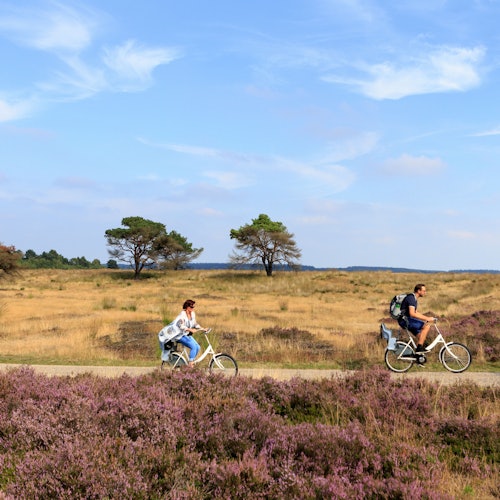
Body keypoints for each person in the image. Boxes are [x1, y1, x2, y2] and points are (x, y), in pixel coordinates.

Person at [162, 299, 207, 366]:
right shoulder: (182, 315)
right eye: (191, 307)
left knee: (198, 347)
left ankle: (191, 361)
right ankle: (190, 364)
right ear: (187, 307)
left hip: (185, 334)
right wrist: (190, 329)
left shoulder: (192, 314)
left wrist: (202, 328)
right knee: (193, 347)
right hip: (179, 335)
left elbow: (195, 323)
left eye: (193, 307)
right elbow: (180, 325)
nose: (193, 308)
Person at [398, 284, 436, 355]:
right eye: (424, 291)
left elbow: (415, 312)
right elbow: (412, 314)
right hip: (405, 321)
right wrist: (427, 318)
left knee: (421, 337)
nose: (425, 292)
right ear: (418, 291)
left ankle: (418, 358)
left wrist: (425, 318)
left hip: (406, 320)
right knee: (426, 326)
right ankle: (419, 349)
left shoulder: (413, 298)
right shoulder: (411, 299)